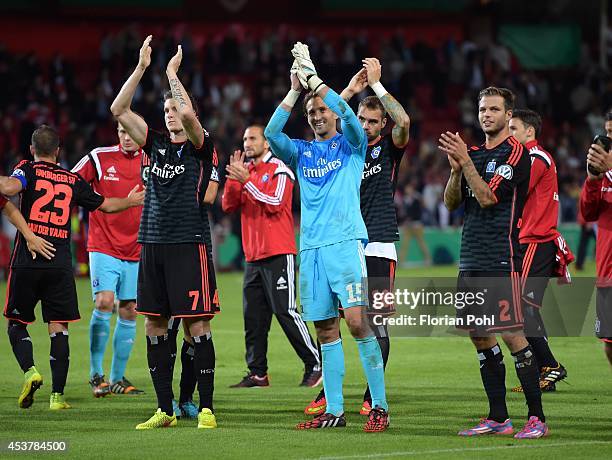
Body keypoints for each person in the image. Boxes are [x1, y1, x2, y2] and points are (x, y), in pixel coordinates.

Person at [264, 43, 389, 432]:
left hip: (345, 243)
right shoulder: (300, 152)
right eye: (312, 113)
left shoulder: (352, 144)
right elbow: (271, 132)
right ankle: (334, 410)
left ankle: (380, 406)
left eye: (323, 111)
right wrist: (296, 90)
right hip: (311, 249)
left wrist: (316, 81)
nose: (318, 116)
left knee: (356, 322)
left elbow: (350, 115)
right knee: (325, 329)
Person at [110, 36, 220, 430]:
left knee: (197, 328)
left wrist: (172, 74)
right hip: (152, 243)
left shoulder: (201, 147)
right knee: (154, 326)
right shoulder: (153, 143)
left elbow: (191, 117)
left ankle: (205, 407)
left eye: (174, 107)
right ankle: (165, 409)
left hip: (188, 245)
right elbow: (118, 109)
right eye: (166, 109)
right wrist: (142, 68)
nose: (171, 112)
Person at [2, 124, 144, 410]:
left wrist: (29, 235)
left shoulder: (27, 169)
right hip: (59, 262)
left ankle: (31, 371)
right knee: (59, 328)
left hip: (28, 260)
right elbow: (104, 205)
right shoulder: (71, 179)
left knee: (17, 324)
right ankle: (57, 397)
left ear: (32, 150)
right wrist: (129, 202)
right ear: (58, 151)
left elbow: (8, 189)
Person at [440, 87, 548, 438]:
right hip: (470, 257)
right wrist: (457, 170)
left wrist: (467, 164)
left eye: (494, 109)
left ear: (508, 115)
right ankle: (498, 417)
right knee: (480, 337)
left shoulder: (516, 154)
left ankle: (536, 418)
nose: (486, 114)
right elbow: (451, 203)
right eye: (482, 108)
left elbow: (487, 198)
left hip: (501, 257)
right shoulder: (471, 153)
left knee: (513, 335)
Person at [304, 58, 409, 417]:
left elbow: (405, 122)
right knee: (329, 319)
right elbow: (328, 117)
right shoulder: (342, 148)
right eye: (361, 119)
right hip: (339, 244)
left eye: (373, 121)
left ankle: (370, 395)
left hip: (376, 240)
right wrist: (349, 90)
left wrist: (376, 85)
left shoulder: (387, 149)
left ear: (382, 124)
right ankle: (329, 393)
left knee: (372, 320)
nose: (365, 126)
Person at [222, 125, 321, 389]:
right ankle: (258, 373)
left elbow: (276, 202)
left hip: (279, 252)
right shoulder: (247, 171)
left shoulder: (280, 168)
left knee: (285, 311)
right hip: (253, 256)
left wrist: (246, 182)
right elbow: (228, 205)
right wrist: (234, 180)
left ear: (267, 143)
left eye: (252, 138)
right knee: (253, 317)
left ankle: (315, 364)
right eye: (244, 139)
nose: (247, 143)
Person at [72, 123, 145, 397]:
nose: (126, 137)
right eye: (121, 132)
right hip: (104, 244)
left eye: (131, 132)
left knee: (129, 309)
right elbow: (70, 181)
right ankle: (95, 374)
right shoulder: (99, 157)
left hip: (138, 248)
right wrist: (95, 202)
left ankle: (117, 378)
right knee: (104, 301)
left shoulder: (153, 159)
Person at [508, 109, 570, 391]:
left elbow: (513, 190)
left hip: (536, 240)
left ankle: (552, 366)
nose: (509, 134)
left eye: (513, 129)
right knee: (526, 310)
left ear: (529, 132)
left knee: (521, 310)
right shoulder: (533, 157)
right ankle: (544, 371)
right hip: (528, 240)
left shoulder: (535, 158)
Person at [580, 111, 612, 365]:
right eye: (609, 133)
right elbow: (588, 213)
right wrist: (593, 179)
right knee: (609, 347)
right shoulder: (603, 175)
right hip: (607, 272)